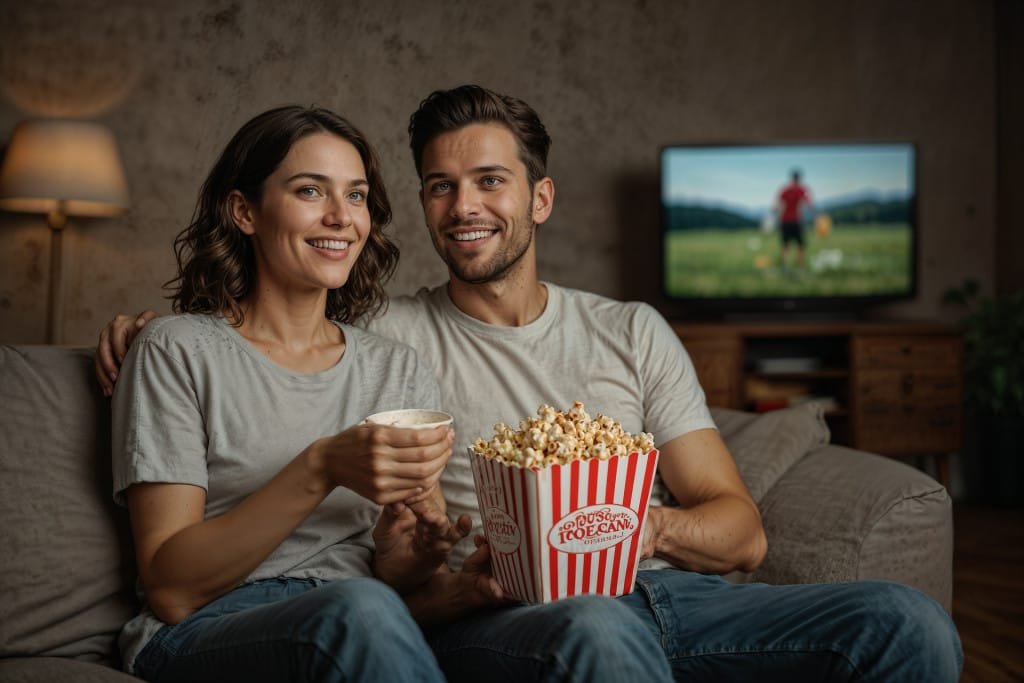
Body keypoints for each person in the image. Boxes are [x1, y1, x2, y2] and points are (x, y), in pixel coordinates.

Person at [97, 86, 962, 681]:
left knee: (905, 620)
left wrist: (619, 526)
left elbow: (742, 536)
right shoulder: (394, 336)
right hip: (526, 616)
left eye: (489, 181)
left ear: (539, 199)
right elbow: (270, 330)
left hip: (669, 592)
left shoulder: (624, 330)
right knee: (593, 625)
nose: (464, 205)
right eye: (440, 186)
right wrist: (150, 328)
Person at [107, 104, 672, 683]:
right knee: (363, 608)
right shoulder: (176, 350)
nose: (340, 217)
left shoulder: (394, 367)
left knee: (589, 620)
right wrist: (322, 465)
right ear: (244, 210)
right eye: (310, 191)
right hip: (209, 626)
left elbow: (398, 579)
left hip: (372, 620)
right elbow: (172, 588)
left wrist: (415, 557)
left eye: (355, 197)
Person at [776, 168, 814, 269]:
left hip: (784, 221)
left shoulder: (785, 190)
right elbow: (809, 204)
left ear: (792, 178)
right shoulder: (801, 189)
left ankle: (785, 265)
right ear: (799, 178)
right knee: (800, 245)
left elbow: (777, 206)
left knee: (785, 244)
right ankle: (800, 266)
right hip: (796, 220)